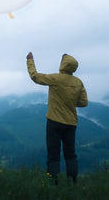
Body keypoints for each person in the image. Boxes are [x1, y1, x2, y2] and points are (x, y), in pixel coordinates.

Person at [26, 52, 88, 184]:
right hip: (71, 123)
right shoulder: (78, 83)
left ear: (63, 65)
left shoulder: (55, 78)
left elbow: (35, 77)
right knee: (70, 154)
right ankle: (73, 181)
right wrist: (69, 102)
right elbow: (83, 102)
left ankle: (53, 182)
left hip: (54, 122)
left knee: (53, 154)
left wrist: (30, 61)